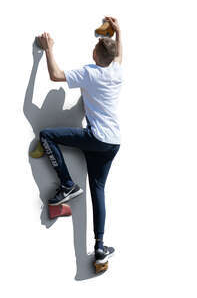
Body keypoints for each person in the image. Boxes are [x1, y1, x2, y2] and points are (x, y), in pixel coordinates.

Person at [37, 16, 123, 266]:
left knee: (47, 136)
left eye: (95, 48)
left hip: (96, 137)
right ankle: (99, 248)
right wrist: (119, 33)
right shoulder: (117, 71)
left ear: (96, 55)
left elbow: (55, 75)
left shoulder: (89, 73)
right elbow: (118, 55)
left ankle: (67, 184)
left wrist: (48, 48)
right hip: (113, 142)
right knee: (98, 189)